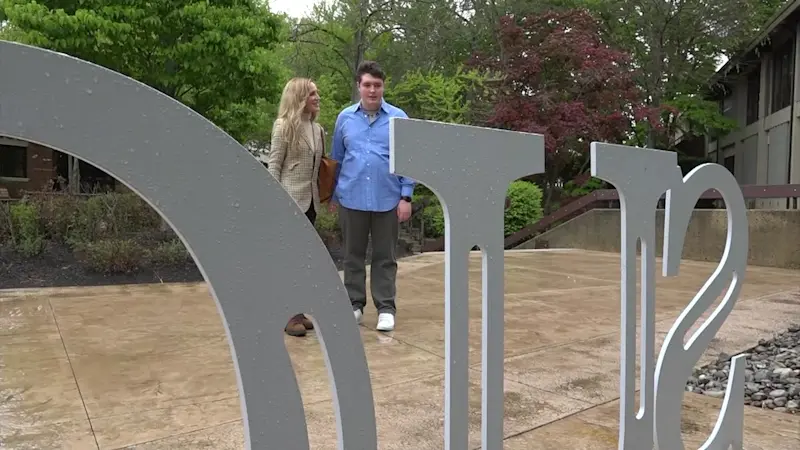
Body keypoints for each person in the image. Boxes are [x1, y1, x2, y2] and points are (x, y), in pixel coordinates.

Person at [330, 61, 414, 332]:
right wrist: (333, 196)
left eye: (377, 85)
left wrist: (406, 196)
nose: (372, 90)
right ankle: (354, 304)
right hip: (350, 198)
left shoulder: (398, 118)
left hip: (387, 199)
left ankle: (386, 308)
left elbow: (408, 161)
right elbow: (336, 159)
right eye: (367, 85)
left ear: (383, 87)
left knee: (385, 257)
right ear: (359, 86)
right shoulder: (345, 118)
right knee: (352, 255)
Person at [268, 77, 324, 337]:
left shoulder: (317, 129)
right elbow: (274, 165)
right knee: (289, 260)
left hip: (311, 202)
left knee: (304, 260)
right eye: (311, 93)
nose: (317, 97)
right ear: (299, 97)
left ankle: (298, 311)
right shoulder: (283, 126)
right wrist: (274, 202)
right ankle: (287, 315)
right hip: (289, 201)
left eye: (317, 93)